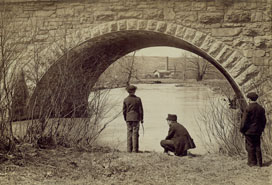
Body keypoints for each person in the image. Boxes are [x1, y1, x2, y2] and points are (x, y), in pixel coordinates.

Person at [240, 92, 266, 167]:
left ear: (249, 99)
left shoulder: (248, 108)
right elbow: (264, 121)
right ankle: (259, 163)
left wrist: (242, 130)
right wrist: (261, 129)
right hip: (258, 131)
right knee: (258, 145)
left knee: (250, 146)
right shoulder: (261, 108)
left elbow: (244, 121)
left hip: (249, 131)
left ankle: (252, 163)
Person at [123, 85, 144, 153]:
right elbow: (140, 110)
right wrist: (141, 119)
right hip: (136, 118)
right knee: (135, 134)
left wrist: (125, 118)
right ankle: (135, 150)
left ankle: (129, 150)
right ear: (134, 91)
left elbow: (124, 111)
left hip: (128, 118)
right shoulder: (138, 99)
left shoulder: (125, 99)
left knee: (129, 133)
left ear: (128, 91)